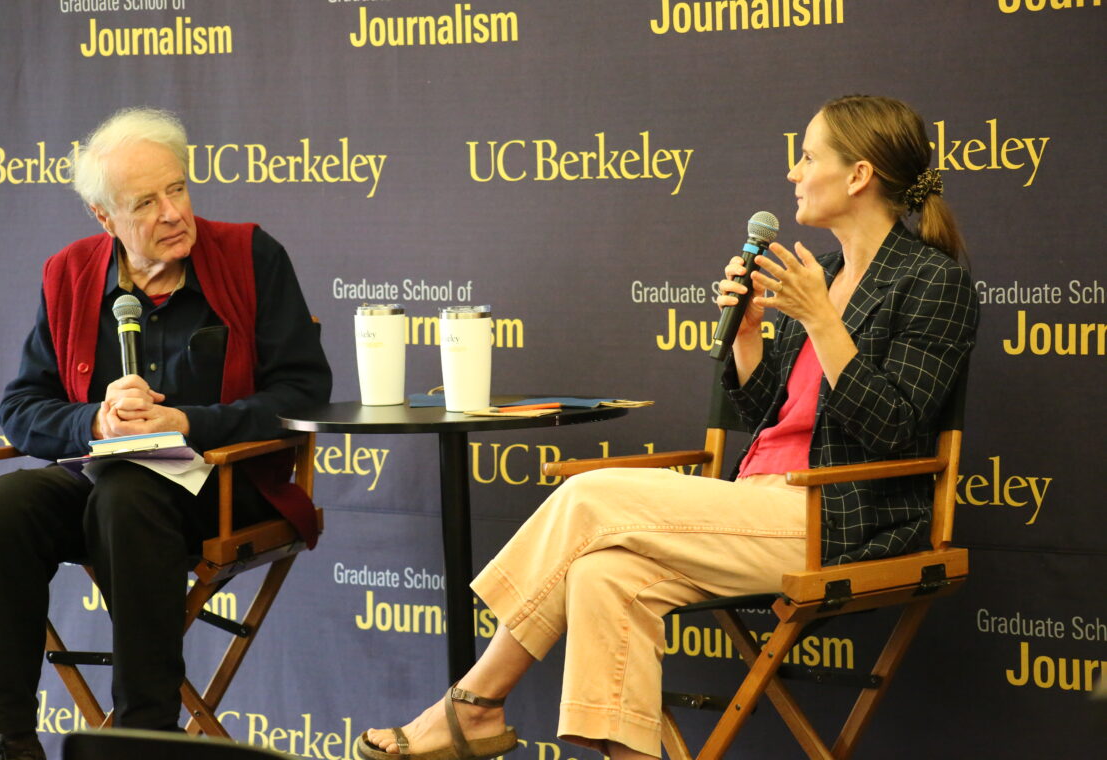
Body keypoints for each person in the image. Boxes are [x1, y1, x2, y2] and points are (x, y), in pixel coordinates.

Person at [355, 94, 979, 760]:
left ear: (858, 175)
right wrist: (747, 336)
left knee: (591, 498)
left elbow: (894, 430)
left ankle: (474, 703)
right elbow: (769, 418)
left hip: (841, 519)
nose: (794, 174)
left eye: (806, 157)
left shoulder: (932, 282)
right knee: (601, 576)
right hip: (760, 504)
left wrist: (823, 321)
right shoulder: (822, 274)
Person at [0, 107, 332, 760]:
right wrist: (95, 420)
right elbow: (21, 408)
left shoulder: (250, 255)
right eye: (146, 202)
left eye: (179, 188)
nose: (173, 212)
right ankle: (10, 738)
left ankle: (145, 736)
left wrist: (189, 420)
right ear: (105, 219)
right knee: (4, 505)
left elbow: (303, 393)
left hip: (222, 485)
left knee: (126, 497)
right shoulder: (70, 274)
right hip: (101, 480)